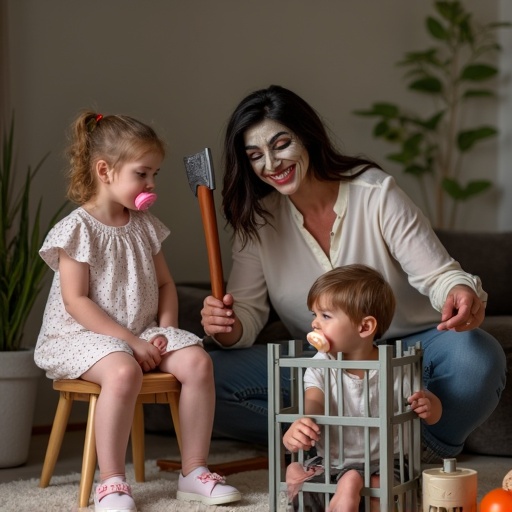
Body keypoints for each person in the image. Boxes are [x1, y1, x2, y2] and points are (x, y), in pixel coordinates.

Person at [201, 84, 506, 462]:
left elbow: (439, 276)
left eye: (280, 145)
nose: (271, 164)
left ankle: (420, 446)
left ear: (307, 137)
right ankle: (331, 441)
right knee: (203, 372)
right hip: (326, 363)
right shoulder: (258, 221)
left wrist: (459, 290)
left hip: (415, 351)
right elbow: (245, 316)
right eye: (255, 155)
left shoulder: (376, 193)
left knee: (477, 356)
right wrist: (225, 327)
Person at [35, 112, 240, 512]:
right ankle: (111, 481)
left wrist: (164, 330)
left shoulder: (146, 226)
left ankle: (194, 471)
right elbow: (76, 301)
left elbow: (165, 284)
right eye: (142, 174)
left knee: (198, 362)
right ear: (105, 171)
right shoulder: (77, 229)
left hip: (140, 330)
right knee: (124, 369)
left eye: (155, 175)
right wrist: (128, 342)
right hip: (80, 337)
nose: (151, 185)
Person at [283, 264, 442, 512]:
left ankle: (350, 485)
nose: (315, 324)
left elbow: (432, 409)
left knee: (386, 489)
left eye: (325, 316)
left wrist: (429, 405)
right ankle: (348, 483)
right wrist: (302, 423)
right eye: (314, 315)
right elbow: (313, 401)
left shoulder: (394, 367)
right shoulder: (320, 365)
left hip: (386, 461)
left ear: (365, 327)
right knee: (308, 485)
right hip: (333, 461)